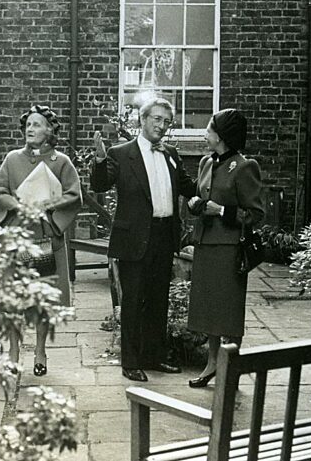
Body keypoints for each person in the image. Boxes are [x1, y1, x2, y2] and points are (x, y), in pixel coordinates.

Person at [90, 96, 195, 382]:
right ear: (143, 119)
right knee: (134, 302)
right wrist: (99, 160)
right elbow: (100, 184)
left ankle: (154, 356)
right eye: (157, 119)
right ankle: (131, 362)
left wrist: (214, 178)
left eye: (167, 121)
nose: (162, 126)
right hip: (134, 238)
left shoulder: (170, 153)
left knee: (158, 300)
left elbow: (188, 187)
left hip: (164, 236)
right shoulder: (121, 153)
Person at [0, 105, 82, 377]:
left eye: (37, 124)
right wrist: (17, 206)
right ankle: (13, 351)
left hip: (44, 237)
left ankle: (40, 350)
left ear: (50, 130)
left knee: (41, 296)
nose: (31, 129)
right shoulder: (12, 159)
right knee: (14, 297)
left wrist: (49, 206)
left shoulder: (60, 161)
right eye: (28, 124)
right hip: (17, 236)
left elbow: (74, 195)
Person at [186, 108, 264, 388]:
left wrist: (221, 211)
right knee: (208, 308)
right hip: (206, 244)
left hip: (229, 249)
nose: (205, 134)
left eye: (209, 129)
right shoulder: (206, 162)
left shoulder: (244, 167)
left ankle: (231, 366)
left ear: (221, 136)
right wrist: (195, 204)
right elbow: (200, 194)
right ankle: (211, 364)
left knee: (227, 310)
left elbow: (255, 214)